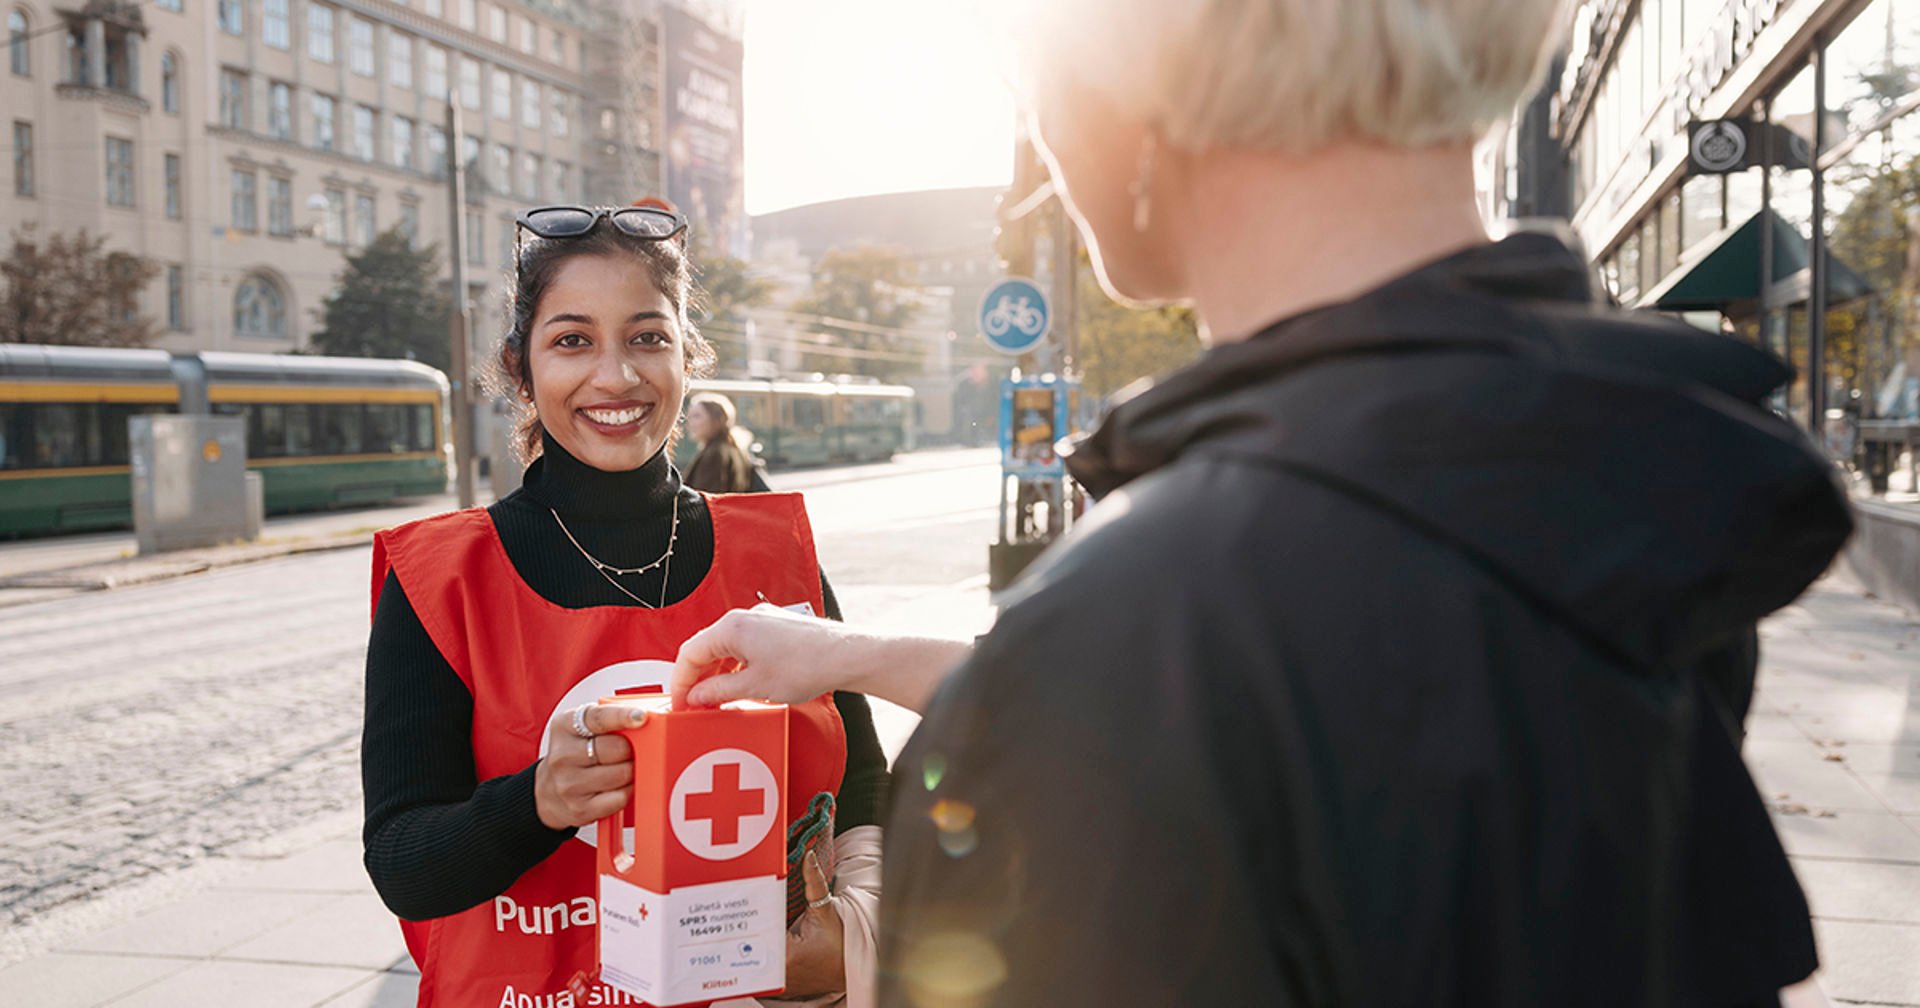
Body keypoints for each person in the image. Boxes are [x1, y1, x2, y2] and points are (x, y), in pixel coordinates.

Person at [670, 1, 1855, 1005]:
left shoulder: (1143, 622)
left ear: (1125, 97)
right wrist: (863, 652)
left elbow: (1193, 696)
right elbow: (1347, 714)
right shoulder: (1623, 478)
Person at [362, 204, 888, 1008]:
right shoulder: (444, 580)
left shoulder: (776, 557)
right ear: (520, 365)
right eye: (573, 340)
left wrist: (855, 930)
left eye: (648, 337)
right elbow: (403, 862)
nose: (617, 376)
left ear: (688, 358)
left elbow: (862, 788)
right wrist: (537, 801)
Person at [683, 391, 758, 494]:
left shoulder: (715, 454)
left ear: (717, 420)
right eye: (689, 416)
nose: (689, 422)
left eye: (696, 416)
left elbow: (704, 499)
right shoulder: (734, 449)